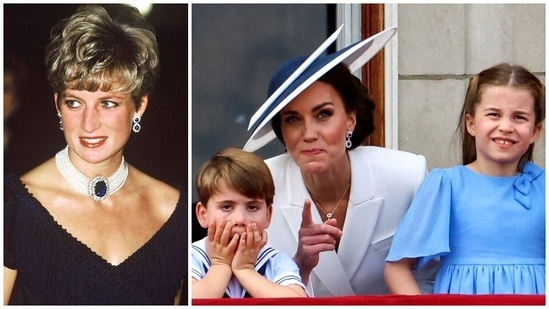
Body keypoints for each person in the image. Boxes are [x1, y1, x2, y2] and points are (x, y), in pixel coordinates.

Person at [3, 5, 187, 304]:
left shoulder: (174, 212)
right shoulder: (12, 208)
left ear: (139, 105)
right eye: (74, 102)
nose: (88, 124)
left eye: (108, 103)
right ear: (58, 104)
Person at [242, 25, 439, 296]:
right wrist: (300, 265)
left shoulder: (406, 176)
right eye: (293, 119)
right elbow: (239, 288)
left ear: (350, 119)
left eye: (323, 115)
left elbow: (431, 278)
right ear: (282, 133)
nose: (309, 134)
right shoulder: (257, 187)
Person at [384, 63, 545, 294]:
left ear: (535, 131)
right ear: (471, 123)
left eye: (519, 117)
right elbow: (397, 268)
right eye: (494, 114)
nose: (506, 126)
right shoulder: (446, 186)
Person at [192, 147, 308, 298]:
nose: (240, 220)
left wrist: (245, 269)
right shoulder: (192, 257)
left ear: (268, 215)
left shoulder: (275, 261)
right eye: (226, 207)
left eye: (252, 207)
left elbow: (297, 302)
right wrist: (220, 265)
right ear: (203, 215)